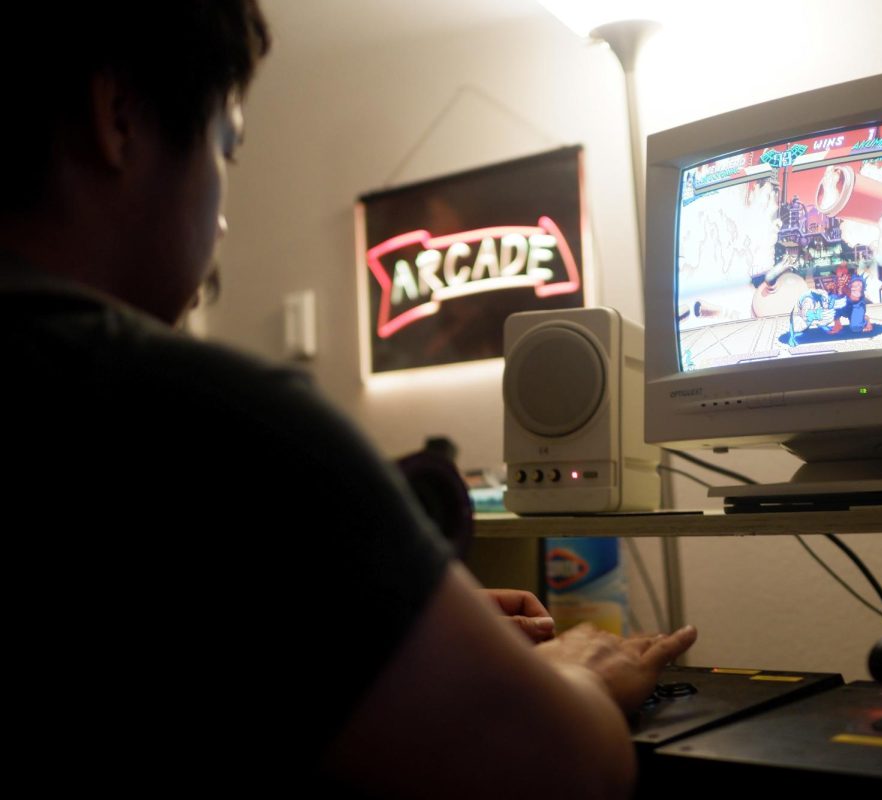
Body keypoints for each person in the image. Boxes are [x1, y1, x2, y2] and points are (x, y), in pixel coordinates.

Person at [0, 3, 696, 798]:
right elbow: (565, 767)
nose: (223, 218)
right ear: (118, 115)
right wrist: (578, 669)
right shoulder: (230, 429)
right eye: (226, 145)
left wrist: (370, 628)